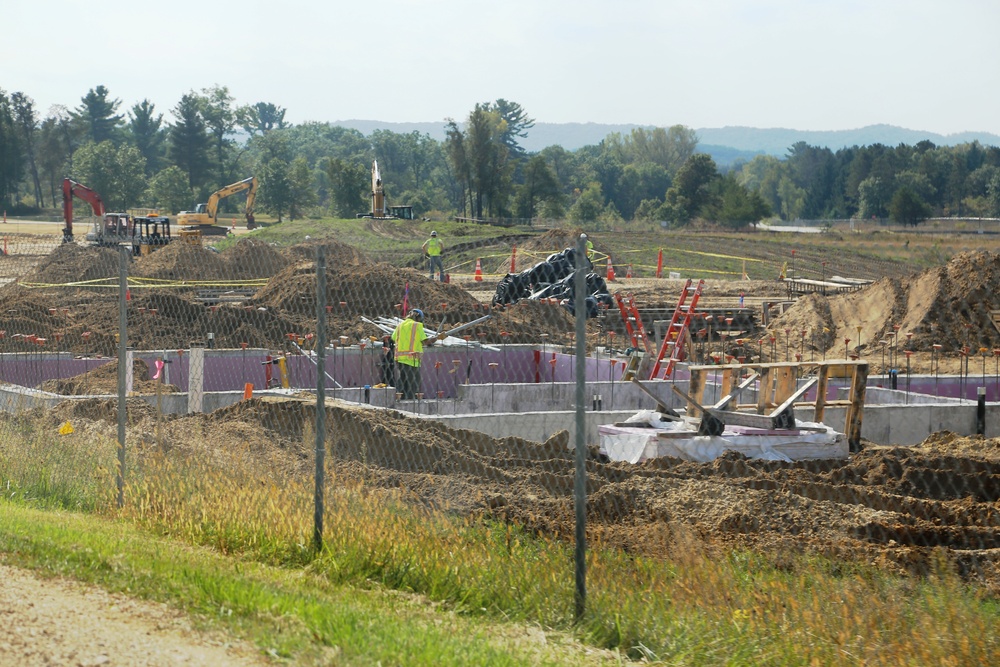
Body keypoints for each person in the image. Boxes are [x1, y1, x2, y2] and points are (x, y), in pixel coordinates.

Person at [391, 308, 445, 399]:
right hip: (412, 359)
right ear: (418, 317)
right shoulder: (417, 325)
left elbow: (393, 337)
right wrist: (437, 338)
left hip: (400, 359)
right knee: (413, 384)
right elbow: (426, 342)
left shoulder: (400, 325)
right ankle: (411, 402)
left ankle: (401, 401)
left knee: (403, 383)